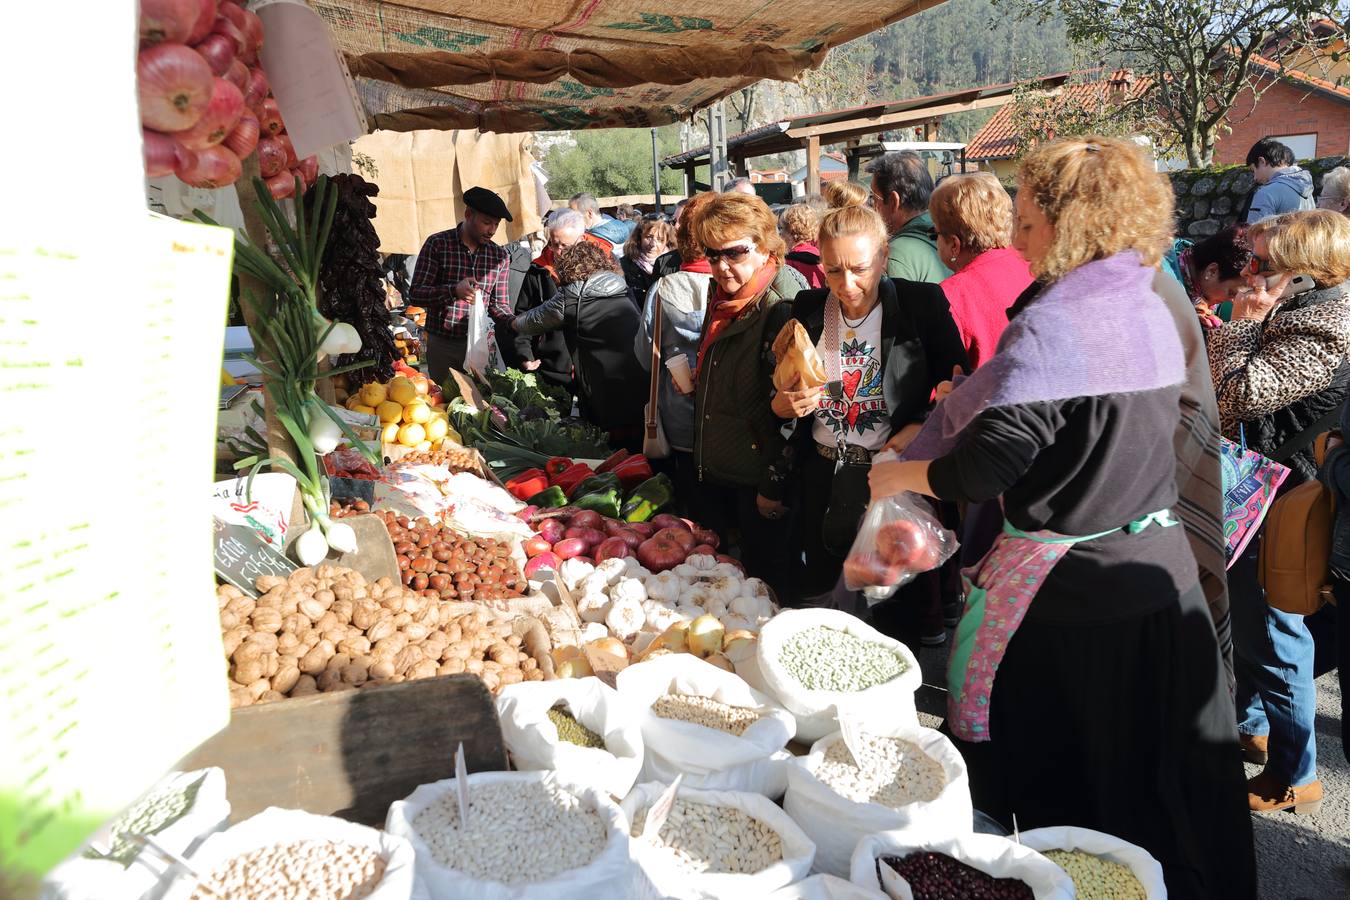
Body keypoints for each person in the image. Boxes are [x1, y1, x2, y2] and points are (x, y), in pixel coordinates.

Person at [871, 137, 1255, 898]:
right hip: (1159, 581)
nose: (1016, 237)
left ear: (1071, 224)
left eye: (1028, 220)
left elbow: (986, 468)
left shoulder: (1059, 325)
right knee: (1163, 796)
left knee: (1079, 809)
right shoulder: (1144, 300)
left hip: (1075, 608)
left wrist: (901, 470)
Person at [1207, 209, 1350, 815]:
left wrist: (1241, 323)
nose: (1248, 272)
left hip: (1286, 497)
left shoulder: (1328, 326)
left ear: (1306, 271)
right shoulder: (1306, 313)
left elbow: (1233, 391)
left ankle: (1298, 775)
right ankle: (1256, 723)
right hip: (1267, 485)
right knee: (1253, 618)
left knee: (1273, 628)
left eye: (1262, 262)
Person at [768, 205, 966, 610]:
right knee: (826, 599)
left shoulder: (921, 306)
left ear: (884, 257)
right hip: (823, 474)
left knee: (891, 601)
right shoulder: (808, 309)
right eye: (834, 270)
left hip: (890, 474)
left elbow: (956, 391)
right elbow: (778, 397)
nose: (847, 283)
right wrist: (784, 404)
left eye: (859, 268)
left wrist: (914, 432)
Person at [685, 192, 808, 594]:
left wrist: (773, 489)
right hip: (721, 470)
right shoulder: (722, 295)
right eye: (712, 254)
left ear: (764, 246)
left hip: (757, 483)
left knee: (766, 589)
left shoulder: (782, 306)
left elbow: (796, 412)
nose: (721, 266)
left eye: (734, 254)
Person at [513, 241, 646, 439]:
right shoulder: (622, 286)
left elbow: (528, 323)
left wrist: (507, 321)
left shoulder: (572, 295)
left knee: (611, 448)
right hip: (639, 381)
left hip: (602, 389)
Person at [634, 192, 717, 490]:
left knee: (685, 498)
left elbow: (645, 354)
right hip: (723, 422)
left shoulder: (662, 288)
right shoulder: (734, 285)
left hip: (675, 416)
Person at [406, 186, 514, 381]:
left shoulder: (500, 256)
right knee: (443, 404)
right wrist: (453, 290)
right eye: (487, 222)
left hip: (481, 346)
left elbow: (499, 304)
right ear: (468, 214)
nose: (492, 230)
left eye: (496, 225)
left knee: (481, 404)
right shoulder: (438, 244)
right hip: (443, 344)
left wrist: (513, 322)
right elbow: (416, 294)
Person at [928, 172, 1033, 369]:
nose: (935, 241)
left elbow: (944, 383)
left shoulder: (948, 296)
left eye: (935, 234)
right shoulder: (1035, 267)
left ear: (954, 245)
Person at [516, 210, 589, 387]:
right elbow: (523, 313)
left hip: (590, 367)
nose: (558, 251)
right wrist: (525, 354)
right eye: (553, 244)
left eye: (565, 246)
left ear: (581, 240)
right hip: (551, 367)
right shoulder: (538, 271)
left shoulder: (598, 269)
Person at [867, 151, 951, 284]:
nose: (872, 207)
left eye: (874, 199)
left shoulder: (894, 256)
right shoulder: (951, 237)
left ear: (894, 201)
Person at [1162, 225, 1255, 323]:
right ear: (1212, 271)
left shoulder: (1200, 290)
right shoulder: (1159, 287)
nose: (1234, 301)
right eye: (1231, 293)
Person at [1246, 138, 1315, 223]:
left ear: (1262, 161)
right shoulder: (1307, 191)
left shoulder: (1266, 193)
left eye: (1253, 170)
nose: (1255, 178)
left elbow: (1254, 233)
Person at [621, 216, 676, 306]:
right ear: (639, 238)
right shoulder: (625, 265)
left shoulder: (674, 263)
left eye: (660, 239)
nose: (653, 244)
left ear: (667, 241)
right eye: (649, 237)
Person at [779, 203, 827, 289]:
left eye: (781, 228)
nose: (780, 233)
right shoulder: (822, 256)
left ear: (790, 230)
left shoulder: (789, 262)